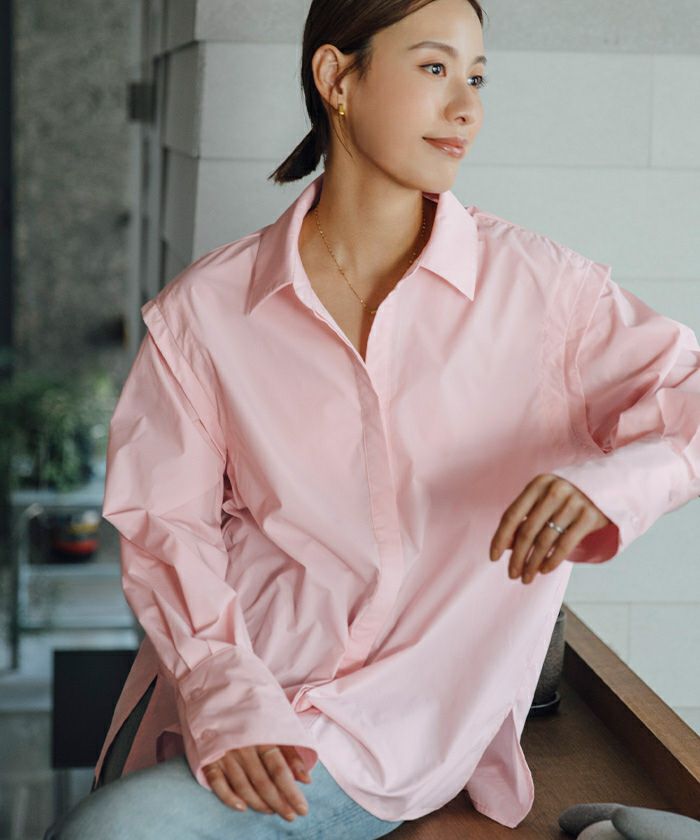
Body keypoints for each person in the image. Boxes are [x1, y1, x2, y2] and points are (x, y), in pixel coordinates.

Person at [44, 0, 700, 836]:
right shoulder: (204, 313)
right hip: (225, 702)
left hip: (393, 733)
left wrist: (610, 482)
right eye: (434, 68)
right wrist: (226, 695)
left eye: (477, 78)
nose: (466, 107)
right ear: (336, 79)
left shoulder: (544, 293)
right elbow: (165, 524)